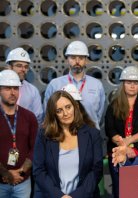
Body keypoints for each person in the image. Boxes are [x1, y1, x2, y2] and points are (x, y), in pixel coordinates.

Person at [33, 91, 103, 198]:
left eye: (68, 107)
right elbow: (39, 171)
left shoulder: (92, 134)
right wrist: (59, 196)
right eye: (59, 110)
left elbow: (96, 170)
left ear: (75, 107)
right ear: (53, 114)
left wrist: (75, 196)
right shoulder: (44, 135)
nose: (65, 113)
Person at [105, 66, 138, 198]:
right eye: (128, 82)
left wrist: (130, 141)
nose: (132, 86)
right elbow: (110, 130)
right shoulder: (114, 105)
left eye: (135, 83)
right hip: (118, 153)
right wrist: (123, 147)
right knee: (120, 190)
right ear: (123, 84)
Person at [44, 40, 105, 129]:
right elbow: (48, 113)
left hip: (90, 135)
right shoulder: (55, 85)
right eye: (73, 57)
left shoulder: (97, 85)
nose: (77, 61)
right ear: (67, 60)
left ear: (86, 61)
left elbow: (100, 115)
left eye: (81, 58)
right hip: (62, 135)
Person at [0, 70, 38, 198]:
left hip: (23, 181)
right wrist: (5, 173)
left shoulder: (29, 117)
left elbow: (35, 148)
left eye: (16, 88)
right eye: (7, 88)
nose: (12, 92)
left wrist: (20, 172)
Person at [6, 47, 44, 125]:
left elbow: (38, 119)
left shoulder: (33, 91)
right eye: (19, 66)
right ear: (9, 67)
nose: (23, 69)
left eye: (26, 67)